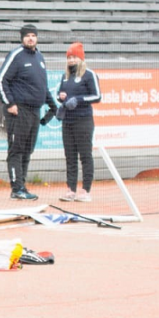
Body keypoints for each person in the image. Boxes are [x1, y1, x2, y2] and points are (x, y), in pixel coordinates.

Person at [0, 24, 59, 200]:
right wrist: (10, 103)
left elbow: (43, 87)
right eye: (27, 36)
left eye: (33, 35)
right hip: (19, 111)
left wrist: (52, 106)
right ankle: (16, 188)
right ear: (22, 38)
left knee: (27, 150)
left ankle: (22, 186)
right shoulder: (16, 55)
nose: (31, 38)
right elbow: (1, 80)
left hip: (34, 111)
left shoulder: (40, 57)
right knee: (16, 150)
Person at [57, 42, 102, 203]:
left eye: (74, 57)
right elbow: (60, 94)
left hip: (83, 120)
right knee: (70, 156)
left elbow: (97, 96)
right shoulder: (65, 76)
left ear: (81, 58)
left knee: (85, 155)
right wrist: (61, 98)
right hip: (67, 121)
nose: (71, 60)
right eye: (69, 57)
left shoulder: (89, 75)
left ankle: (85, 190)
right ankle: (70, 189)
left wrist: (78, 100)